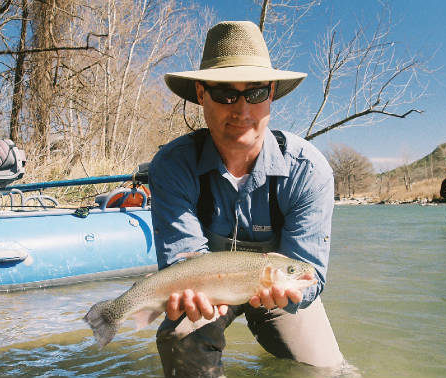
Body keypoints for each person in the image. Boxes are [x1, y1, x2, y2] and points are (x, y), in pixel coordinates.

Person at [148, 21, 345, 377]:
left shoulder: (309, 171)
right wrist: (185, 297)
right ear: (201, 93)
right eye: (225, 93)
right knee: (179, 338)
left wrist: (296, 293)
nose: (241, 110)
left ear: (271, 94)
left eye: (254, 93)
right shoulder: (172, 166)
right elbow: (181, 261)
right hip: (207, 293)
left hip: (278, 295)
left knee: (327, 370)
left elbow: (308, 276)